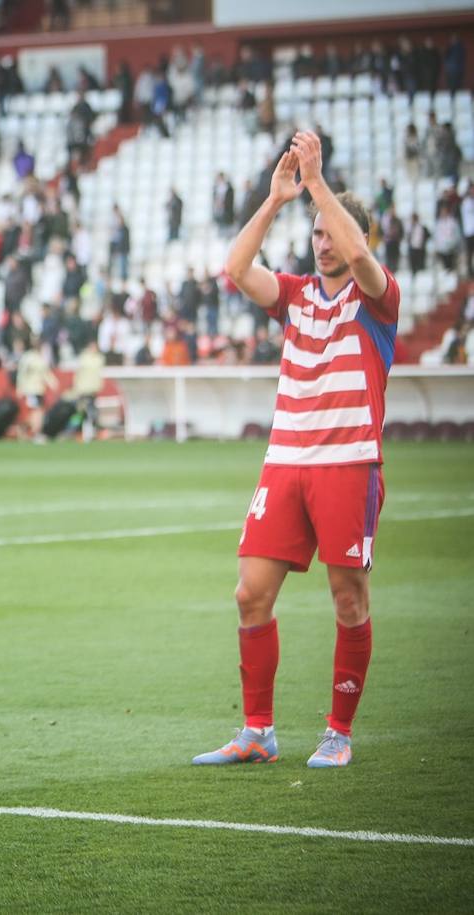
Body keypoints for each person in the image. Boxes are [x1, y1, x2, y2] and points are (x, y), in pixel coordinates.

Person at [198, 132, 401, 769]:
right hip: (285, 462)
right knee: (249, 595)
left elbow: (361, 254)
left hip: (348, 462)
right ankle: (258, 732)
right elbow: (236, 269)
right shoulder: (294, 296)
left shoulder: (377, 298)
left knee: (349, 598)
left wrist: (316, 182)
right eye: (315, 232)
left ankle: (338, 733)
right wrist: (277, 199)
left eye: (331, 230)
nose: (323, 241)